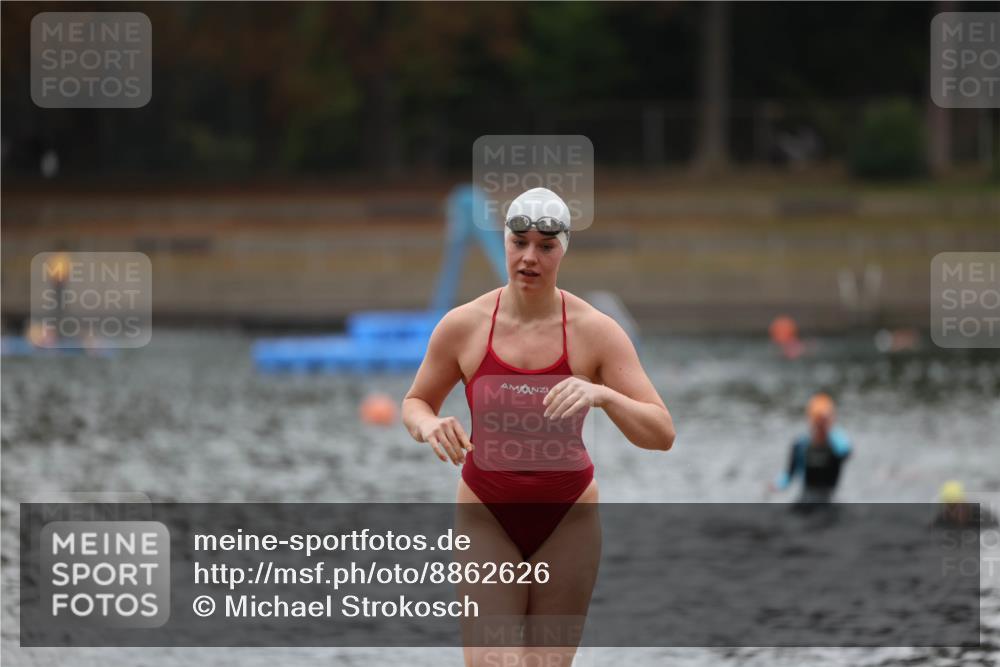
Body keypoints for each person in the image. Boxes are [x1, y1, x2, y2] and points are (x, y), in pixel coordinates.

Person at [402, 187, 675, 667]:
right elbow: (415, 401)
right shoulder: (464, 326)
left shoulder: (596, 331)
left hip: (568, 520)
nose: (530, 257)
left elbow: (661, 433)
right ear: (505, 242)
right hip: (486, 516)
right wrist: (428, 425)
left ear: (562, 250)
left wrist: (603, 395)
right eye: (519, 242)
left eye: (545, 246)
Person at [770, 393, 852, 508]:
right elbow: (789, 474)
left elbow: (846, 452)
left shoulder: (837, 444)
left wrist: (830, 431)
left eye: (824, 421)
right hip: (807, 496)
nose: (821, 425)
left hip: (828, 497)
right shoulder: (801, 445)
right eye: (818, 421)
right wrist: (777, 485)